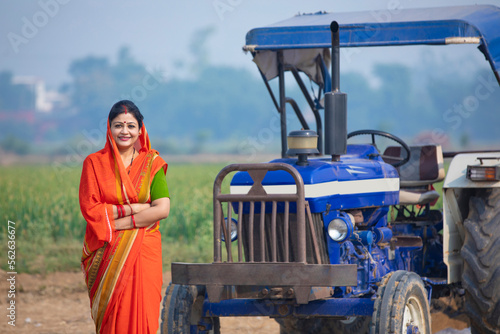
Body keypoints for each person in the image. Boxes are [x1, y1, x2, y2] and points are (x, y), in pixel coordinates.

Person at [79, 100, 170, 333]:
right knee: (114, 317)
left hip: (144, 250)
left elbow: (162, 209)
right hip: (108, 250)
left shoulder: (152, 163)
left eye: (131, 126)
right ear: (109, 128)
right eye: (118, 125)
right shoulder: (94, 163)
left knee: (144, 311)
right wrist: (135, 208)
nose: (125, 131)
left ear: (140, 130)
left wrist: (120, 223)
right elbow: (91, 209)